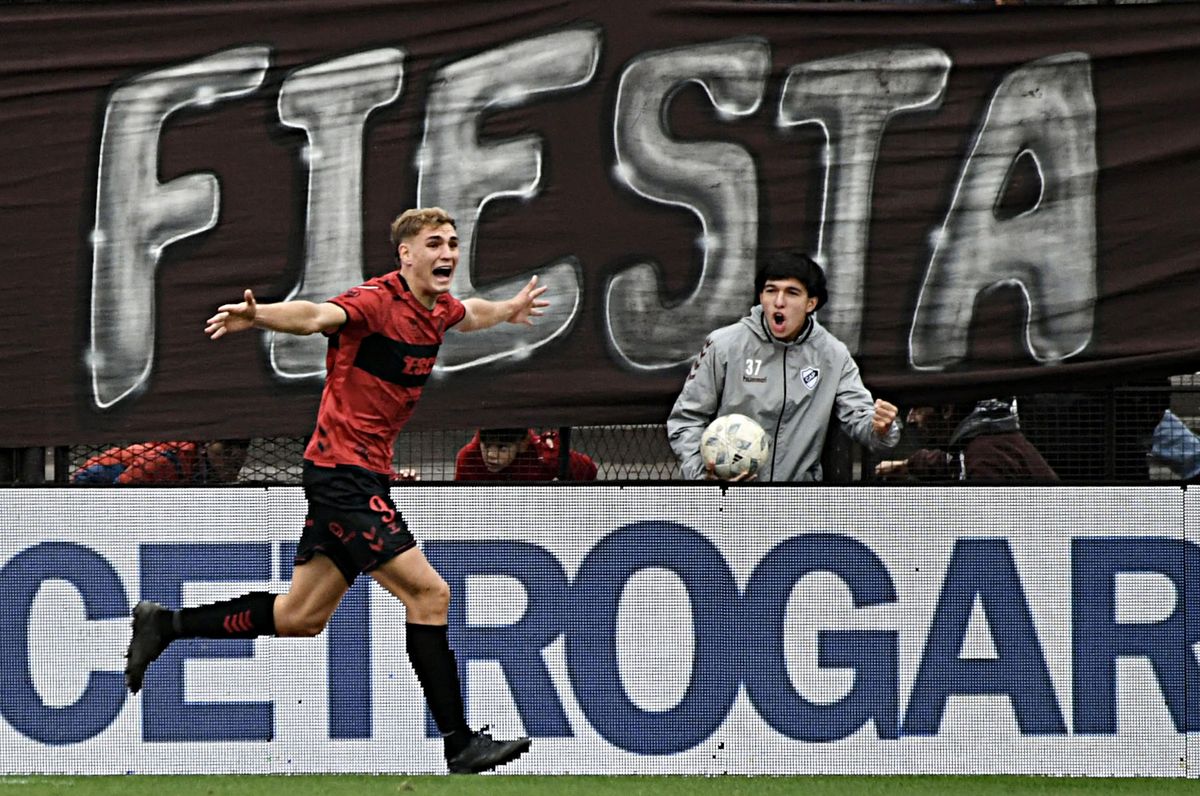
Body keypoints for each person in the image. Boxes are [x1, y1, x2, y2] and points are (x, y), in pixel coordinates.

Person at [124, 207, 545, 774]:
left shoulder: (439, 309)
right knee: (430, 596)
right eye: (434, 244)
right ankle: (458, 743)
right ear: (406, 255)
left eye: (451, 244)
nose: (447, 254)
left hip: (357, 476)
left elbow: (472, 314)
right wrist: (261, 316)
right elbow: (314, 315)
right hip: (341, 476)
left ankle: (165, 624)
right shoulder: (376, 301)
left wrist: (511, 310)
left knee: (301, 616)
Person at [667, 250, 901, 482]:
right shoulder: (724, 345)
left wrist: (880, 427)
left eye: (791, 293)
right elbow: (686, 419)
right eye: (771, 291)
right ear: (761, 297)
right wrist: (703, 476)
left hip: (795, 502)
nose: (779, 302)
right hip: (729, 498)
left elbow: (861, 418)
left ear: (811, 303)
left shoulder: (833, 355)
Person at [874, 399, 1058, 481]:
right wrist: (907, 465)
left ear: (946, 410)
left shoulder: (984, 455)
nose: (910, 419)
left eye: (918, 410)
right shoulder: (974, 444)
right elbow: (944, 461)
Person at [71, 439, 250, 484]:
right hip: (96, 479)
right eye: (226, 449)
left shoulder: (200, 466)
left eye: (243, 446)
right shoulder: (168, 461)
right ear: (206, 445)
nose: (235, 455)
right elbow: (122, 488)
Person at [454, 427, 598, 481]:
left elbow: (591, 472)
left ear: (522, 445)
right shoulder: (468, 457)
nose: (491, 455)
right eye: (485, 446)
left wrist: (559, 457)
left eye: (502, 448)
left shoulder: (541, 456)